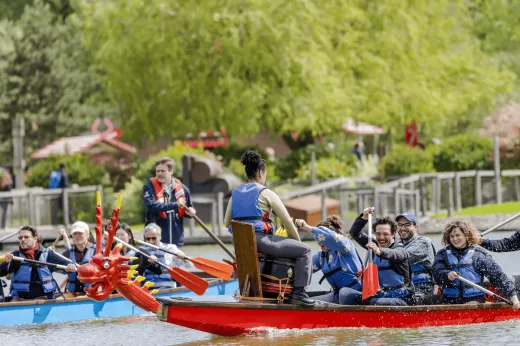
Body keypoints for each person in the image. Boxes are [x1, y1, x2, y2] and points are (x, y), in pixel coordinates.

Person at [224, 150, 315, 306]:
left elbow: (226, 223)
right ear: (260, 172)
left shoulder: (235, 194)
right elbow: (287, 221)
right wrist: (297, 242)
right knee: (305, 251)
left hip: (240, 244)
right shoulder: (265, 193)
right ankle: (299, 294)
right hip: (261, 241)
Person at [432, 221, 520, 308]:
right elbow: (436, 273)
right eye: (452, 236)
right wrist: (447, 275)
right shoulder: (442, 254)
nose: (455, 239)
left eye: (458, 235)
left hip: (474, 299)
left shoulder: (478, 255)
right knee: (421, 300)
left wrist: (513, 297)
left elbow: (498, 276)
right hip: (448, 299)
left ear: (466, 236)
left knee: (468, 306)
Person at [350, 208, 415, 306]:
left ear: (393, 234)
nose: (381, 237)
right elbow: (355, 233)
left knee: (374, 302)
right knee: (346, 294)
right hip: (382, 295)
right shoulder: (373, 245)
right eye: (378, 234)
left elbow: (396, 254)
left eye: (385, 234)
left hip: (403, 298)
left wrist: (379, 251)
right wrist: (364, 217)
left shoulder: (400, 249)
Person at [295, 216, 363, 305]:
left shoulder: (346, 246)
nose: (319, 242)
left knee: (344, 292)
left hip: (357, 294)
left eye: (320, 238)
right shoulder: (321, 256)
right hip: (338, 296)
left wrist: (308, 228)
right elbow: (304, 268)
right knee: (306, 302)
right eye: (317, 239)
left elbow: (331, 237)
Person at [0, 226, 76, 300]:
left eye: (26, 237)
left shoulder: (48, 254)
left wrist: (70, 266)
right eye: (20, 238)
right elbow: (1, 273)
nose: (22, 240)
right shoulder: (15, 255)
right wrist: (6, 263)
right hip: (21, 299)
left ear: (35, 238)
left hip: (44, 299)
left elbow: (67, 263)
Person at [143, 157, 196, 248]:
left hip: (176, 241)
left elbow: (188, 207)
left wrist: (191, 212)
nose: (159, 174)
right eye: (157, 171)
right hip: (155, 242)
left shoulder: (183, 189)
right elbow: (151, 206)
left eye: (163, 171)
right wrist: (175, 204)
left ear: (171, 171)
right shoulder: (148, 188)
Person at [395, 212, 436, 298]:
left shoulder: (423, 242)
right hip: (403, 289)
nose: (403, 228)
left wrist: (380, 251)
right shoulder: (397, 244)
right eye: (400, 225)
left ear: (416, 227)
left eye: (407, 225)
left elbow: (401, 257)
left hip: (422, 291)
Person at [138, 223, 187, 289]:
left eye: (154, 238)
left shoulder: (170, 248)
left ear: (160, 236)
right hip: (149, 288)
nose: (151, 242)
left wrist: (184, 258)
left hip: (168, 287)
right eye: (148, 239)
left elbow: (188, 265)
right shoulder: (142, 251)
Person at [61, 221, 96, 296]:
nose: (77, 236)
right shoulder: (67, 253)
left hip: (94, 292)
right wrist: (65, 269)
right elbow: (56, 268)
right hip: (73, 293)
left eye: (80, 233)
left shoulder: (97, 251)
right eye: (75, 234)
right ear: (72, 237)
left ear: (88, 234)